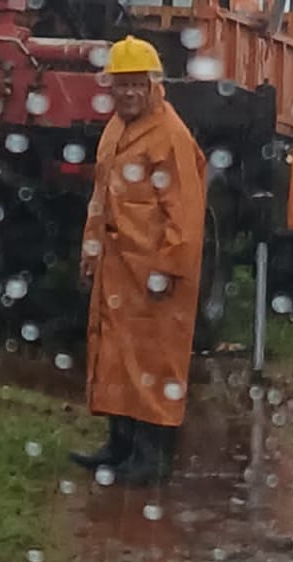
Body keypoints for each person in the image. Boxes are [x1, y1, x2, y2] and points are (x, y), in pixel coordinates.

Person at [73, 35, 208, 487]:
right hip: (117, 270)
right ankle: (119, 447)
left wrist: (167, 270)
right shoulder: (115, 129)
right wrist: (91, 252)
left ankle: (152, 459)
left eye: (137, 85)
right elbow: (100, 200)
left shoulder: (170, 136)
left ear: (154, 86)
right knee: (114, 358)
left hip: (153, 276)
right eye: (121, 85)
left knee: (153, 363)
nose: (128, 93)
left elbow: (185, 216)